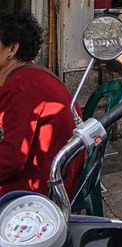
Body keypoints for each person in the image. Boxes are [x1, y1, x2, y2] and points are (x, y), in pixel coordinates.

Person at [0, 10, 83, 196]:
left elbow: (10, 161)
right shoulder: (31, 72)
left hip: (45, 187)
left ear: (12, 49)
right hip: (62, 172)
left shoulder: (18, 89)